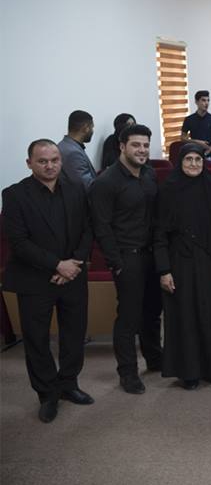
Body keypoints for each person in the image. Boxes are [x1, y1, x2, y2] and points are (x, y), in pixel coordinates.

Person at [2, 140, 94, 422]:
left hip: (73, 275)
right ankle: (47, 394)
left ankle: (68, 384)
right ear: (29, 163)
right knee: (37, 340)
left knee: (74, 334)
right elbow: (19, 242)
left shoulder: (76, 189)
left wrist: (74, 263)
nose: (50, 166)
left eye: (54, 160)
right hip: (35, 278)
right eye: (42, 161)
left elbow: (88, 229)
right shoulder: (14, 195)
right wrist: (57, 265)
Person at [88, 124, 163, 394]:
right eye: (136, 145)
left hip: (152, 255)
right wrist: (115, 263)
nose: (142, 150)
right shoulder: (105, 182)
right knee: (129, 317)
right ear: (122, 147)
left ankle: (155, 358)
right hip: (126, 258)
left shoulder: (149, 174)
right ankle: (128, 372)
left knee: (152, 312)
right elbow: (101, 227)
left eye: (145, 145)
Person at [154, 143, 211, 390]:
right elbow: (159, 233)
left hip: (210, 260)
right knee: (185, 316)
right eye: (188, 159)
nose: (194, 164)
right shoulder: (168, 189)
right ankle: (189, 372)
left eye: (198, 160)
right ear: (180, 162)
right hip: (179, 261)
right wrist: (164, 270)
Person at [58, 110, 96, 189]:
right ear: (86, 128)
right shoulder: (73, 153)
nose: (92, 131)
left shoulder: (63, 145)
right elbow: (87, 186)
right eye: (92, 127)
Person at [181, 90, 211, 158]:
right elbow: (183, 138)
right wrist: (197, 142)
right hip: (194, 152)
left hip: (210, 154)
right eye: (203, 100)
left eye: (208, 100)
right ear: (196, 102)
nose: (206, 103)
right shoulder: (189, 119)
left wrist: (208, 151)